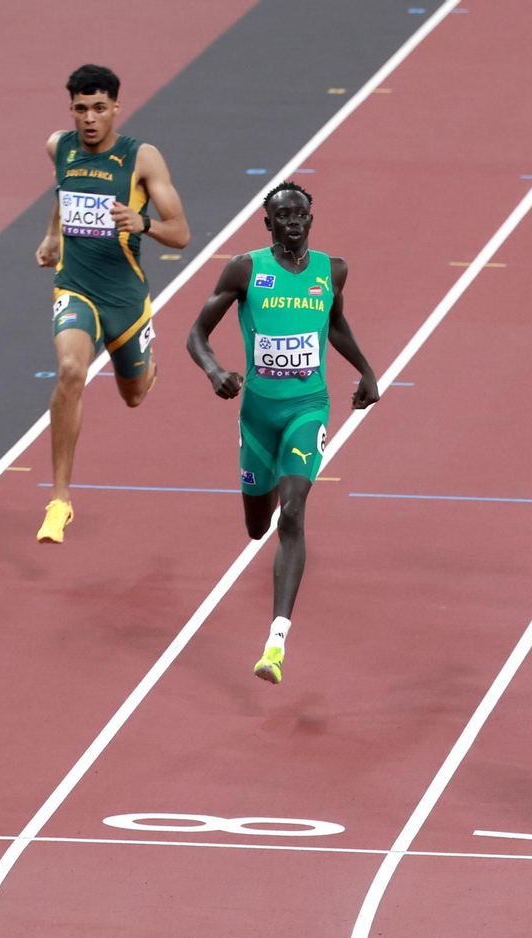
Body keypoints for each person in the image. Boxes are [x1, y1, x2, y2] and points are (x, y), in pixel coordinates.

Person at [185, 183, 379, 684]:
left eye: (301, 214)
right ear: (267, 224)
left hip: (308, 409)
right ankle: (262, 472)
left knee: (292, 513)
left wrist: (366, 370)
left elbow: (334, 323)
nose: (293, 221)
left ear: (311, 220)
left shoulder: (331, 271)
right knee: (256, 528)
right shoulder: (245, 270)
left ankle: (275, 641)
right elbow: (196, 334)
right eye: (283, 215)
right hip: (257, 416)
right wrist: (214, 371)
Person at [36, 64, 190, 543]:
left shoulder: (141, 158)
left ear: (116, 108)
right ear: (71, 110)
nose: (89, 118)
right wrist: (51, 237)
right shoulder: (58, 146)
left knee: (134, 396)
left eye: (99, 108)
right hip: (75, 286)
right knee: (70, 371)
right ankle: (59, 498)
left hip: (124, 296)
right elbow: (64, 194)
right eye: (81, 109)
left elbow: (181, 234)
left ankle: (147, 369)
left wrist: (140, 223)